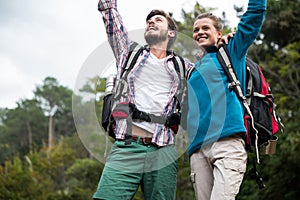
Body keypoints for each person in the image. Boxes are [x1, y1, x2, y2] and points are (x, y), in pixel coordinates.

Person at [93, 0, 194, 199]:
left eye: (158, 20)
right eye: (149, 20)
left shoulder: (184, 67)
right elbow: (111, 16)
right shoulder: (128, 54)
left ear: (171, 33)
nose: (151, 22)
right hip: (127, 146)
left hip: (163, 149)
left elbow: (212, 80)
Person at [187, 0, 267, 199]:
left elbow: (254, 16)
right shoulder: (192, 70)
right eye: (196, 30)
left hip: (227, 143)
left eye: (206, 28)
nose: (200, 32)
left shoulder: (231, 53)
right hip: (197, 151)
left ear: (219, 34)